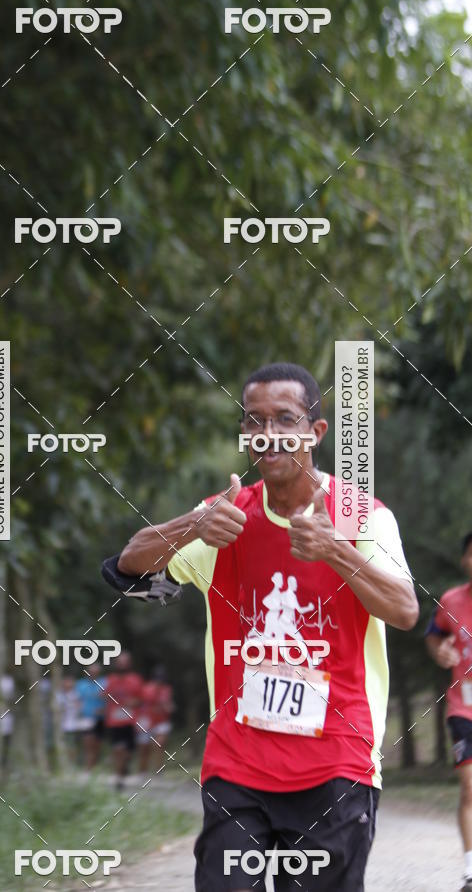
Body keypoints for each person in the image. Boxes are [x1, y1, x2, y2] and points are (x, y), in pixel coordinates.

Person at [114, 362, 418, 891]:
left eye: (285, 419)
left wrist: (335, 552)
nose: (268, 434)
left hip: (336, 766)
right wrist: (194, 525)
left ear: (315, 431)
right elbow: (126, 568)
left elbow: (405, 610)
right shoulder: (226, 516)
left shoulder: (358, 514)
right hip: (238, 766)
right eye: (254, 421)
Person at [425, 532, 472, 892]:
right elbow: (434, 634)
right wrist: (440, 650)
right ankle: (471, 871)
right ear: (465, 561)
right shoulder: (452, 601)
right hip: (464, 709)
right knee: (470, 789)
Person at [104, 651, 143, 790]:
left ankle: (124, 766)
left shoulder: (135, 679)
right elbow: (104, 696)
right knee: (118, 748)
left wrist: (134, 702)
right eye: (120, 662)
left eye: (125, 662)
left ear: (129, 664)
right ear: (116, 664)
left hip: (130, 720)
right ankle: (119, 778)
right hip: (114, 720)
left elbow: (141, 699)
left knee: (128, 751)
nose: (122, 664)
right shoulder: (110, 679)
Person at [137, 665, 174, 773]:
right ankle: (142, 771)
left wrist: (169, 707)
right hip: (147, 720)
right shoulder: (146, 689)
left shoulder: (167, 689)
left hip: (162, 721)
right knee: (144, 748)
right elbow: (140, 704)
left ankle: (159, 771)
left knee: (159, 744)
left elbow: (168, 704)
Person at [76, 663, 106, 769]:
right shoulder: (81, 684)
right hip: (86, 717)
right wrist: (79, 711)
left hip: (100, 718)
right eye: (91, 672)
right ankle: (88, 768)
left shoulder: (104, 683)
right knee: (88, 742)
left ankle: (95, 766)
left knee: (97, 744)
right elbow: (77, 700)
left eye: (95, 672)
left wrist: (104, 707)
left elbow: (110, 699)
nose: (93, 674)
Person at [57, 674, 82, 763]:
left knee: (72, 745)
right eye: (66, 682)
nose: (68, 684)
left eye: (70, 682)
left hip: (73, 725)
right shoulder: (58, 695)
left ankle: (72, 762)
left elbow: (79, 708)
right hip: (60, 725)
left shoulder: (76, 694)